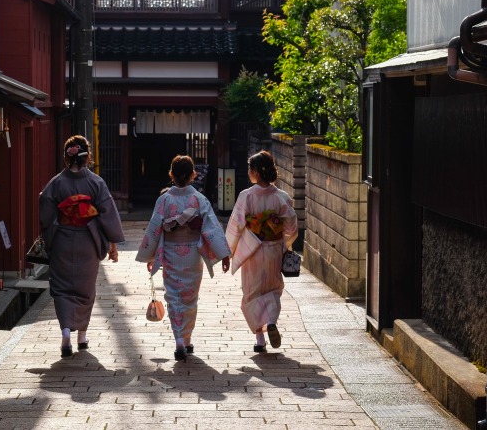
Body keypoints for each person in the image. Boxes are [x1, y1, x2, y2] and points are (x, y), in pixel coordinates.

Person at [136, 155, 231, 361]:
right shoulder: (199, 199)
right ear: (193, 175)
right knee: (190, 297)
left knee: (173, 297)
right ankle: (186, 340)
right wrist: (223, 254)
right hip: (192, 253)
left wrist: (152, 255)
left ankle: (179, 339)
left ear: (171, 174)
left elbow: (154, 230)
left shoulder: (164, 200)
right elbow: (211, 228)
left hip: (170, 251)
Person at [39, 135, 125, 358]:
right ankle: (82, 337)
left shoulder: (55, 183)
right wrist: (113, 244)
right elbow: (107, 214)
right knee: (85, 289)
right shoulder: (96, 183)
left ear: (67, 156)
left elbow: (46, 215)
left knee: (61, 288)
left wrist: (52, 233)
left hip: (62, 241)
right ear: (88, 157)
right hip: (88, 240)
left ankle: (66, 332)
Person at [225, 150, 298, 353]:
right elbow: (291, 225)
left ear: (255, 171)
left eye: (250, 169)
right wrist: (285, 243)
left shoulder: (246, 196)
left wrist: (227, 251)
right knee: (273, 289)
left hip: (252, 252)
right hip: (274, 249)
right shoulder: (281, 197)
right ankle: (271, 320)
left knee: (252, 293)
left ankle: (260, 339)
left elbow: (236, 226)